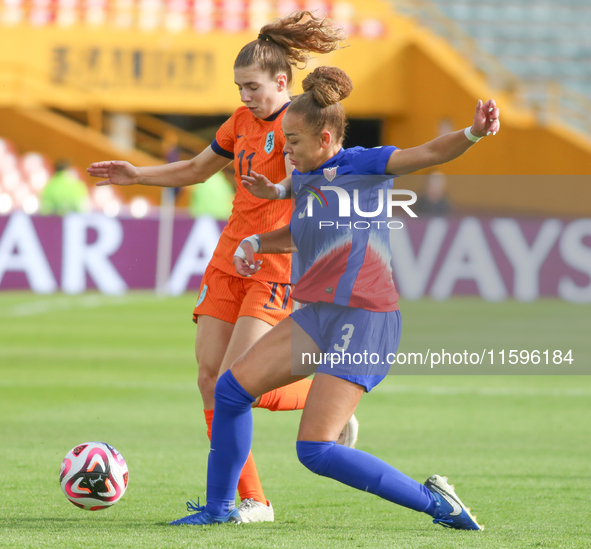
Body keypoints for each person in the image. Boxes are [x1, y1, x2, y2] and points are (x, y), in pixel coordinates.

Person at [170, 66, 500, 527]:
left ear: (326, 139)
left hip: (366, 319)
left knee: (316, 451)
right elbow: (299, 233)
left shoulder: (364, 164)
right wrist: (254, 242)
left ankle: (438, 504)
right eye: (284, 140)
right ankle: (219, 510)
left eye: (294, 142)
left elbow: (425, 154)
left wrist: (473, 133)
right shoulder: (305, 177)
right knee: (229, 392)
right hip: (320, 314)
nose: (286, 150)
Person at [87, 12, 358, 523]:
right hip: (228, 258)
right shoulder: (238, 123)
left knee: (239, 380)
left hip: (274, 264)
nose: (245, 96)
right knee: (211, 380)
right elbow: (195, 169)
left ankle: (323, 402)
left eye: (253, 87)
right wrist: (135, 175)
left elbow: (324, 190)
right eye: (239, 88)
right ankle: (249, 499)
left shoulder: (298, 125)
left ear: (282, 82)